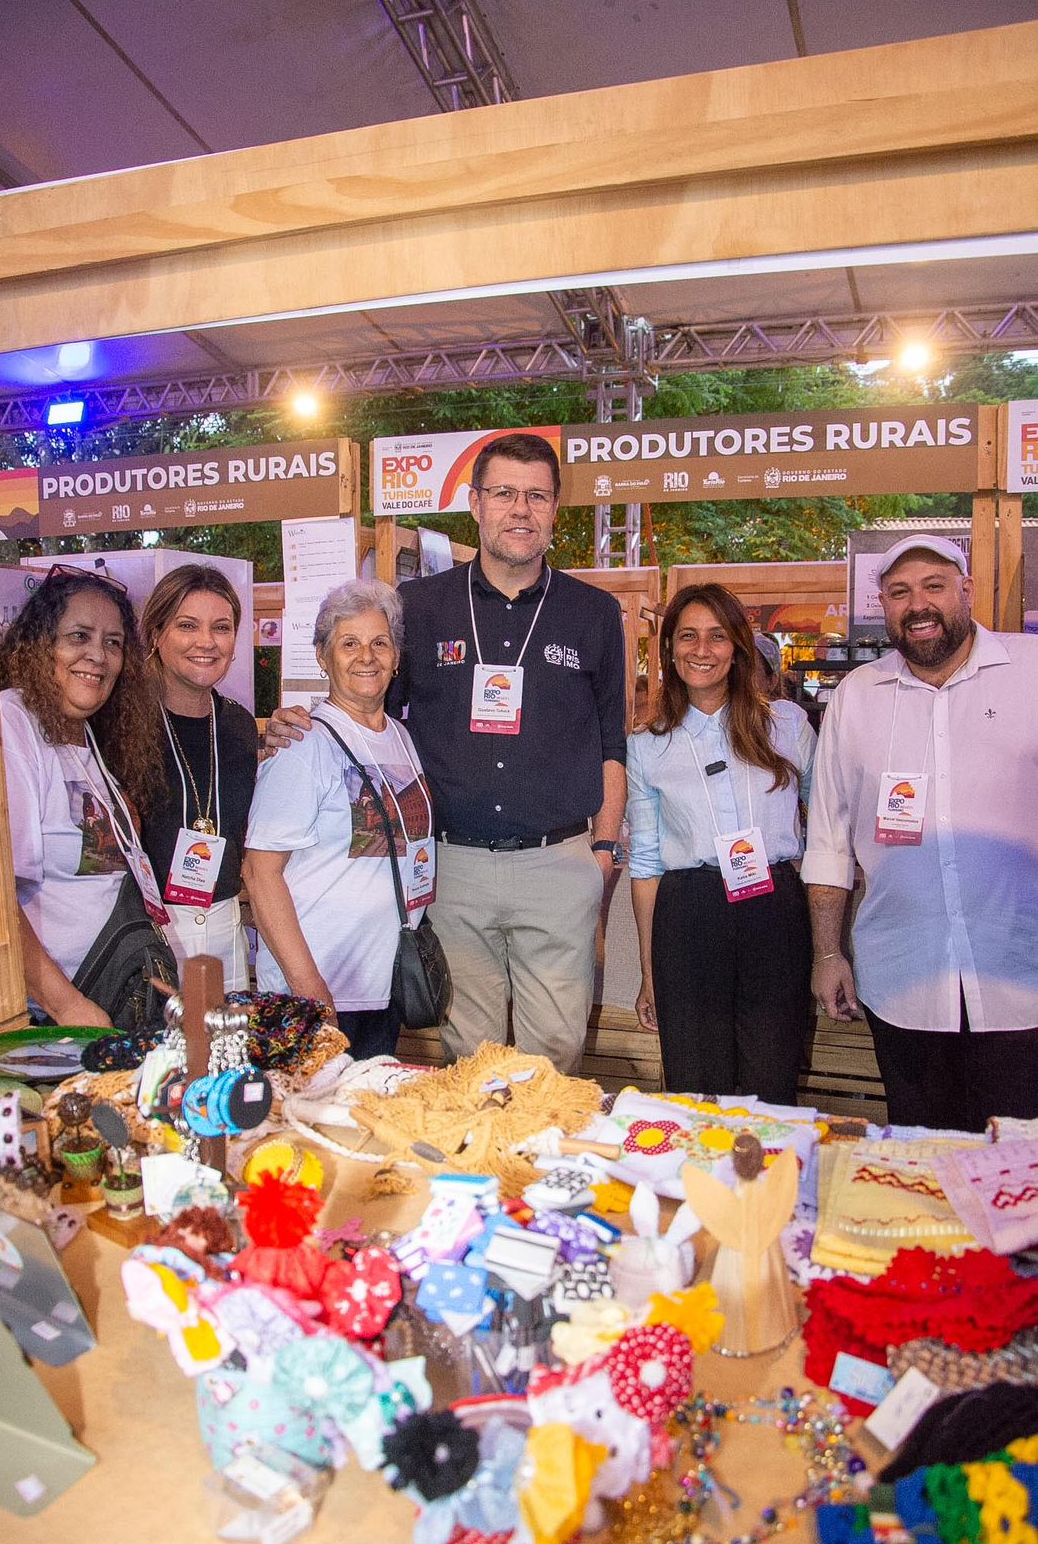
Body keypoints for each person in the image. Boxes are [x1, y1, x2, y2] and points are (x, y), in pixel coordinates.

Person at [265, 433, 627, 1073]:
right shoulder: (420, 607)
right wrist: (296, 722)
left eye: (537, 496)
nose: (521, 509)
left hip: (558, 864)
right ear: (475, 503)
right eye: (504, 493)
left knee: (558, 1051)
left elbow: (611, 743)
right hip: (453, 869)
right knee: (469, 1059)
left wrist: (601, 852)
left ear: (555, 508)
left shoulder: (593, 613)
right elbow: (368, 703)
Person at [803, 533, 1038, 1133]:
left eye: (934, 586)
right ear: (882, 604)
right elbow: (828, 841)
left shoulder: (1029, 673)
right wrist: (828, 953)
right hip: (904, 982)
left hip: (1021, 977)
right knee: (919, 1156)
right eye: (900, 592)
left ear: (967, 590)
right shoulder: (856, 697)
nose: (918, 605)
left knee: (1021, 1161)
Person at [628, 583, 816, 1103]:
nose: (702, 650)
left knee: (771, 1080)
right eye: (688, 636)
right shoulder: (647, 745)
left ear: (737, 646)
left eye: (716, 636)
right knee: (694, 1085)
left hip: (774, 910)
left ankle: (770, 1160)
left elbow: (825, 824)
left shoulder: (787, 726)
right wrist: (649, 973)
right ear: (669, 648)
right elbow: (644, 864)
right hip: (689, 914)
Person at [243, 580, 433, 1060]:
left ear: (395, 658)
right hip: (315, 993)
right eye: (349, 643)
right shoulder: (303, 744)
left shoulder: (402, 738)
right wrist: (308, 986)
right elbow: (260, 873)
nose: (366, 656)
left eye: (379, 643)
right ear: (323, 658)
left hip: (381, 987)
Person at [0, 566, 162, 1025]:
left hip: (110, 999)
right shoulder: (12, 722)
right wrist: (66, 1006)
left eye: (113, 642)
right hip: (54, 1020)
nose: (98, 655)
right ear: (40, 644)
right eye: (79, 636)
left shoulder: (87, 734)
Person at [139, 565, 258, 989]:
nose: (206, 641)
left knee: (228, 1032)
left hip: (225, 925)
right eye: (187, 625)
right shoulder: (123, 724)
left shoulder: (240, 726)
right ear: (157, 634)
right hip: (149, 929)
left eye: (221, 628)